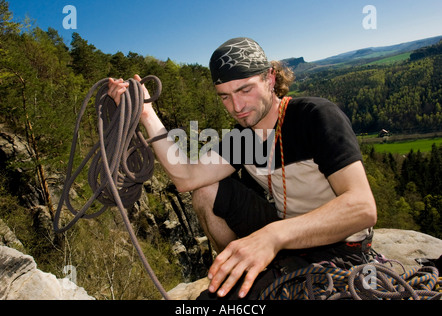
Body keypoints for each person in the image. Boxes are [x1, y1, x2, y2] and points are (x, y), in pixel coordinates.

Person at [107, 37, 377, 300]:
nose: (236, 107)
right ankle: (236, 269)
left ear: (269, 79)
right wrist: (146, 114)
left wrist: (271, 237)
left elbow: (362, 208)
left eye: (245, 90)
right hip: (282, 236)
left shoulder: (314, 116)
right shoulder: (244, 138)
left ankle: (251, 271)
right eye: (225, 97)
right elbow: (186, 177)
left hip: (339, 245)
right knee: (205, 190)